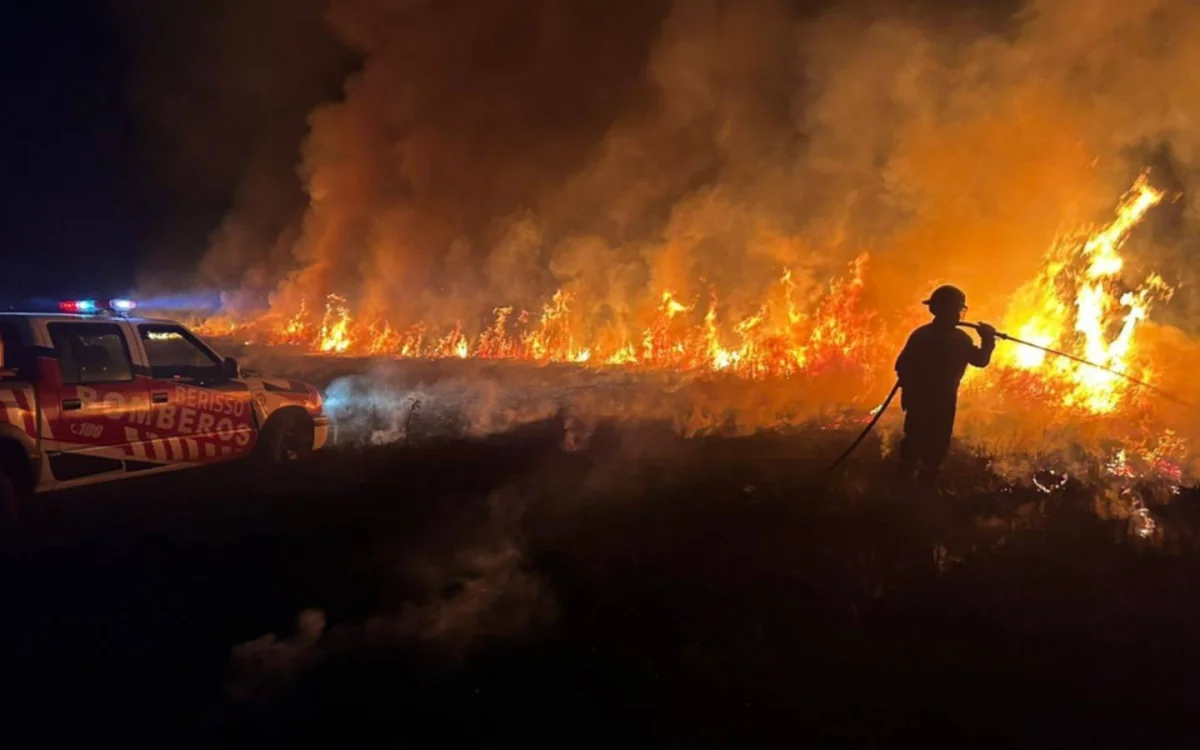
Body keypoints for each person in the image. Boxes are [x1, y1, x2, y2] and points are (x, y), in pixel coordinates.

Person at [894, 285, 996, 487]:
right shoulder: (959, 339)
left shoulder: (920, 334)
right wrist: (988, 339)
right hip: (942, 401)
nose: (959, 314)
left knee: (913, 438)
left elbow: (901, 365)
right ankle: (925, 487)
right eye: (957, 310)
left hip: (917, 400)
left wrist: (908, 389)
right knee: (937, 442)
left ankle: (901, 484)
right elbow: (981, 360)